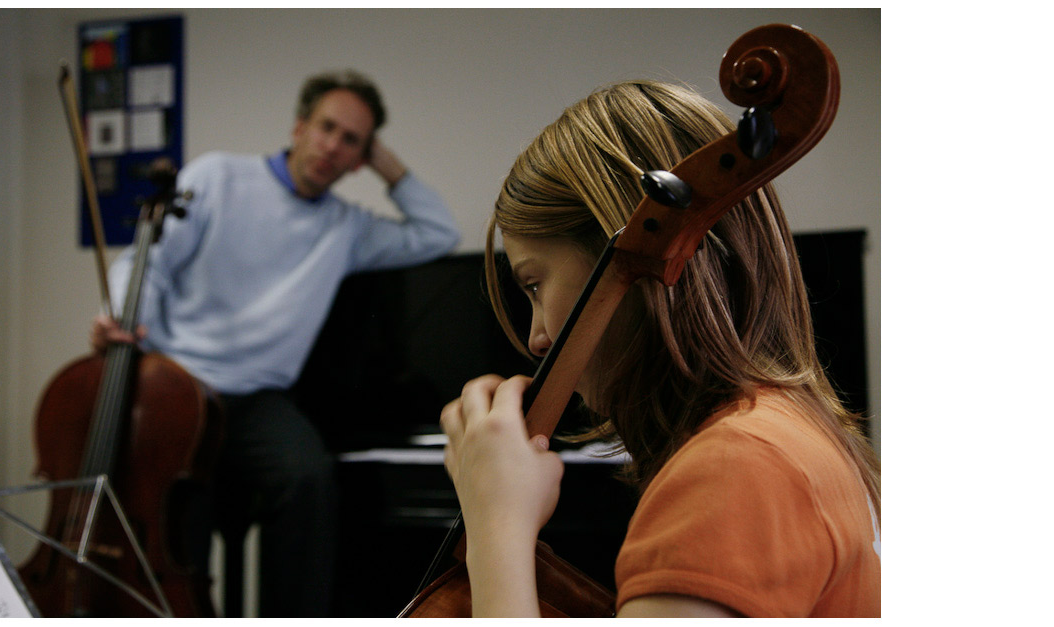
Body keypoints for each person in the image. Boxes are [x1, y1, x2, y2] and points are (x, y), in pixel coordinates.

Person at [440, 80, 880, 617]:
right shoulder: (792, 431)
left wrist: (496, 530)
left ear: (625, 257)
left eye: (534, 285)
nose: (536, 338)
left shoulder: (734, 467)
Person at [91, 69, 460, 617]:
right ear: (299, 126)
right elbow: (149, 264)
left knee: (310, 478)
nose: (333, 146)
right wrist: (124, 319)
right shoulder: (218, 177)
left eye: (351, 140)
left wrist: (386, 161)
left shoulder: (347, 227)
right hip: (178, 383)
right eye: (326, 127)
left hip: (256, 402)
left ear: (361, 157)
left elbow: (439, 232)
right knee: (180, 513)